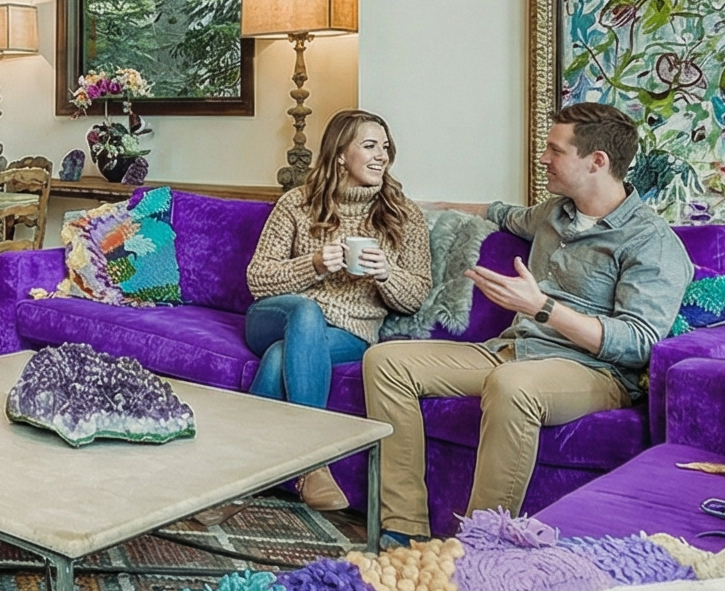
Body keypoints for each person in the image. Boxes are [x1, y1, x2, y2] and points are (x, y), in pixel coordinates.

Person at [361, 101, 692, 540]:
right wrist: (421, 208)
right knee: (386, 362)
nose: (543, 158)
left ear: (597, 161)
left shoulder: (651, 242)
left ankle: (480, 544)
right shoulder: (554, 212)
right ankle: (405, 529)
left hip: (591, 370)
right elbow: (500, 213)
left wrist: (544, 308)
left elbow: (638, 342)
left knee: (512, 385)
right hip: (513, 350)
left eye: (555, 150)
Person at [244, 110, 431, 511]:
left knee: (279, 359)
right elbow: (257, 279)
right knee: (306, 313)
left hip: (349, 334)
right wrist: (313, 264)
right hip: (276, 316)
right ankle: (315, 460)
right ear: (341, 154)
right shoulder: (297, 203)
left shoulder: (403, 213)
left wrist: (387, 274)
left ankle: (235, 479)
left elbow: (416, 294)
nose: (382, 156)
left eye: (385, 147)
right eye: (370, 146)